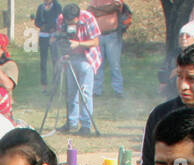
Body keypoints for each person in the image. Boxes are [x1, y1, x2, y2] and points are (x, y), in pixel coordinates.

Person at [56, 4, 103, 137]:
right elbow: (62, 38)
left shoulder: (88, 18)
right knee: (71, 92)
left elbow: (95, 42)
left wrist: (79, 43)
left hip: (87, 57)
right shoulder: (61, 19)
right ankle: (71, 122)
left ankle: (86, 125)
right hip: (70, 57)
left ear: (78, 17)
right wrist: (63, 51)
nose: (69, 24)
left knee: (85, 91)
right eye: (67, 22)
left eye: (72, 22)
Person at [89, 1, 126, 97]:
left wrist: (99, 10)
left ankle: (118, 90)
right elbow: (90, 11)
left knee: (115, 64)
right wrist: (107, 9)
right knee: (98, 64)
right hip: (98, 36)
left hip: (112, 35)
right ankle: (96, 90)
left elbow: (116, 6)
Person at [35, 0, 64, 88]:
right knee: (43, 61)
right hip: (43, 36)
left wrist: (53, 28)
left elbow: (59, 20)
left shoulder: (57, 7)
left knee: (55, 59)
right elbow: (37, 21)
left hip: (53, 36)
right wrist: (41, 26)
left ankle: (56, 83)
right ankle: (44, 84)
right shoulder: (40, 8)